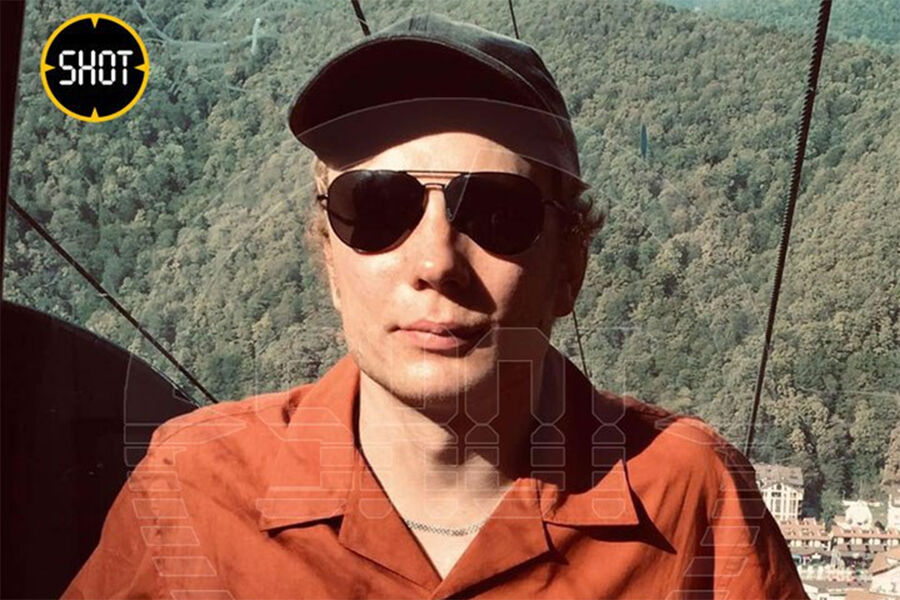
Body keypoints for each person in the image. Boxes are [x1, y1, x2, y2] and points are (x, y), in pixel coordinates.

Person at [63, 13, 809, 600]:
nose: (435, 263)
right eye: (376, 208)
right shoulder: (195, 488)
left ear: (568, 269)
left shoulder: (690, 498)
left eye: (498, 214)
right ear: (330, 261)